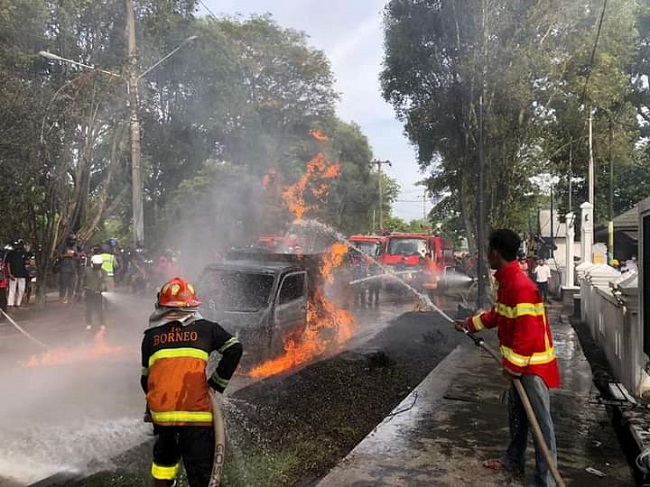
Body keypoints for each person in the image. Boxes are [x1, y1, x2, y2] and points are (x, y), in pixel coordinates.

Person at [454, 229, 560, 487]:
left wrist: (513, 367)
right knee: (517, 414)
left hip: (532, 368)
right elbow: (498, 316)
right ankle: (514, 459)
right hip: (522, 366)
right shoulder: (509, 282)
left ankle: (545, 481)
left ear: (495, 252)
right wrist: (469, 324)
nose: (486, 255)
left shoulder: (521, 287)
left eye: (488, 250)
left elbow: (529, 334)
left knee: (540, 426)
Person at [141, 277, 243, 487]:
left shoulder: (151, 336)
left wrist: (151, 410)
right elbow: (234, 349)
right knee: (201, 474)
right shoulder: (207, 329)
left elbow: (147, 379)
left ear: (162, 306)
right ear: (193, 305)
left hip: (164, 417)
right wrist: (216, 384)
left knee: (164, 466)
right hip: (197, 414)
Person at [83, 253, 107, 331]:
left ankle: (102, 324)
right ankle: (88, 324)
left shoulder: (103, 272)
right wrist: (83, 288)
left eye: (99, 265)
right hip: (88, 293)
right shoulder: (87, 270)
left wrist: (101, 287)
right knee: (88, 309)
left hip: (97, 293)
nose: (97, 266)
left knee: (99, 309)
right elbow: (83, 280)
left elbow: (104, 282)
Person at [6, 239, 29, 308]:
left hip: (22, 274)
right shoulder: (10, 253)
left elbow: (27, 262)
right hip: (13, 274)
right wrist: (9, 273)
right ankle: (10, 304)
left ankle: (18, 303)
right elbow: (8, 264)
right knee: (12, 289)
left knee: (21, 289)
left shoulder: (24, 253)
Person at [58, 234, 79, 304]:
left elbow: (78, 257)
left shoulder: (75, 247)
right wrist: (66, 255)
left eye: (74, 240)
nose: (72, 241)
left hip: (73, 269)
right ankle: (61, 298)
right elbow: (59, 256)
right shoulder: (63, 247)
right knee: (63, 285)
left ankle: (70, 299)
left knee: (71, 285)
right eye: (71, 240)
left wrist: (74, 257)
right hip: (64, 269)